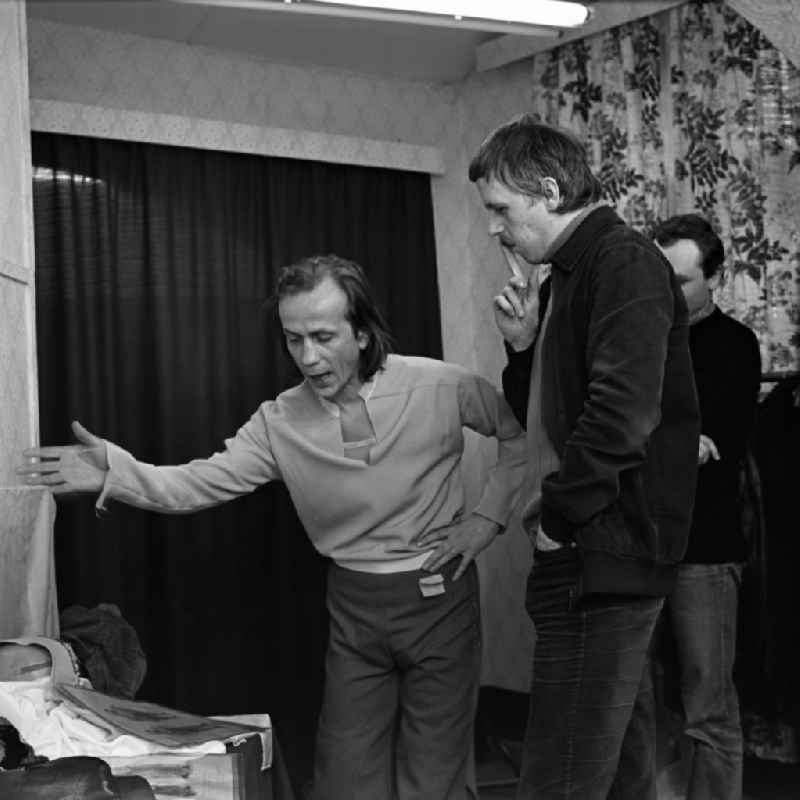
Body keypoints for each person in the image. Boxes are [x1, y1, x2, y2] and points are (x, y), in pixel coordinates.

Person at [18, 254, 527, 800]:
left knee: (435, 772)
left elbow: (517, 437)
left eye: (324, 336)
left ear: (361, 331)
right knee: (344, 778)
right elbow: (198, 483)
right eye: (294, 339)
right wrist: (116, 472)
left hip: (439, 595)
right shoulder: (280, 420)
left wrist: (485, 520)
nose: (308, 357)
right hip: (356, 605)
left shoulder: (440, 385)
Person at [468, 115, 700, 799]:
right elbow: (551, 415)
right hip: (591, 547)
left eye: (500, 209)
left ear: (546, 188)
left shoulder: (620, 260)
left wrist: (559, 520)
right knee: (620, 769)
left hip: (598, 549)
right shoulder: (569, 275)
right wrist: (524, 348)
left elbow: (622, 417)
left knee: (562, 775)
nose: (493, 228)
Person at [654, 214, 761, 800]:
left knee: (707, 706)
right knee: (637, 702)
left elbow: (708, 446)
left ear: (715, 277)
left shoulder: (736, 346)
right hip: (637, 546)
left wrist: (657, 440)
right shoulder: (637, 340)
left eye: (683, 281)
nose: (668, 294)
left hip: (705, 550)